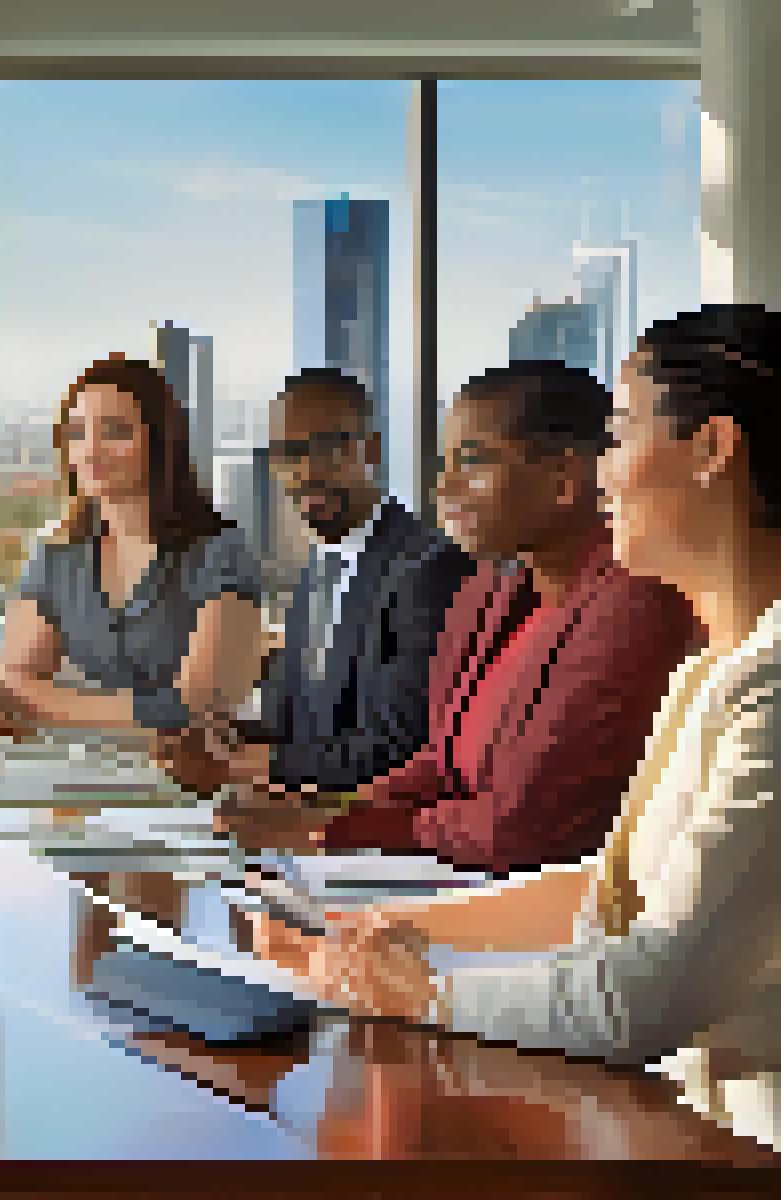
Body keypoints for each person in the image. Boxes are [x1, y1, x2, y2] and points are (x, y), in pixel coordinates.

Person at [255, 305, 781, 1150]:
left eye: (620, 436)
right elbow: (609, 893)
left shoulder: (769, 688)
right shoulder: (710, 672)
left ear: (714, 449)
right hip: (662, 1122)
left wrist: (422, 995)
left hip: (734, 1145)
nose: (602, 477)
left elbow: (642, 996)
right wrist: (398, 930)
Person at [223, 361, 702, 871]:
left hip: (548, 908)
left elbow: (520, 826)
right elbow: (440, 762)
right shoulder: (490, 589)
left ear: (565, 478)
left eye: (472, 463)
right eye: (443, 464)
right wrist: (329, 808)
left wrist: (335, 827)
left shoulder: (634, 602)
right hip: (457, 871)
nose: (444, 488)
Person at [156, 368, 476, 799]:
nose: (307, 472)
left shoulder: (428, 567)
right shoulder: (317, 569)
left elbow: (399, 746)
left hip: (375, 838)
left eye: (329, 448)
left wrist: (242, 764)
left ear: (373, 450)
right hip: (301, 818)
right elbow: (300, 719)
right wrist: (221, 734)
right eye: (288, 454)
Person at [0, 354, 264, 745]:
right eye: (77, 432)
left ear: (161, 441)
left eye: (115, 431)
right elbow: (12, 684)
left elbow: (197, 710)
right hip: (84, 773)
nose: (91, 451)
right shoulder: (59, 552)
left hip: (193, 783)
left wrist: (42, 702)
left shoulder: (221, 552)